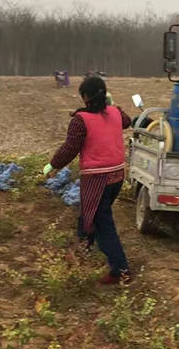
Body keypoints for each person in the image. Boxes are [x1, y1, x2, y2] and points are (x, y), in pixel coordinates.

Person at [45, 75, 132, 285]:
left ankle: (121, 270)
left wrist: (53, 165)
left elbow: (70, 148)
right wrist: (112, 104)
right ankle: (84, 245)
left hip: (97, 179)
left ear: (85, 96)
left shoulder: (80, 120)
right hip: (117, 175)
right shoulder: (115, 112)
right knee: (90, 211)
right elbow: (127, 121)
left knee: (103, 223)